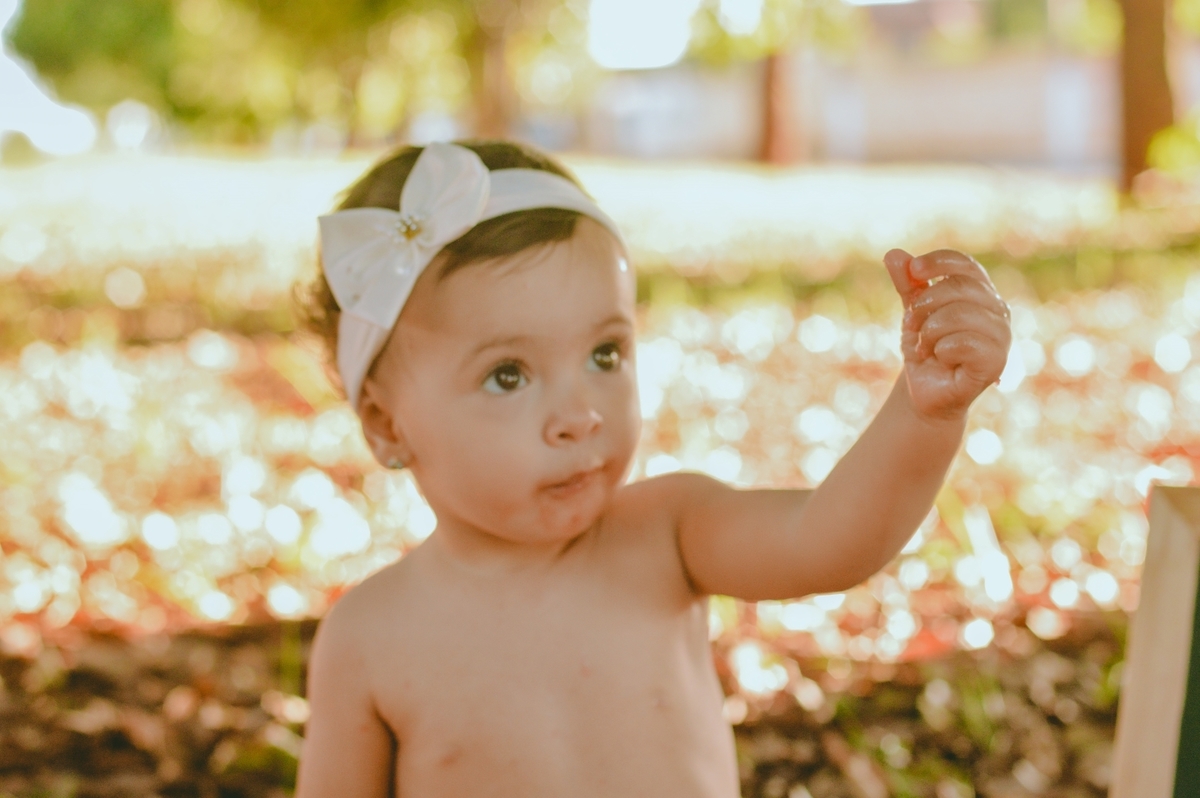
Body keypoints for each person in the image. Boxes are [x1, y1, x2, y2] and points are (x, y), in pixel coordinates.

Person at [293, 139, 1012, 797]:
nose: (580, 414)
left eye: (605, 354)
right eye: (508, 375)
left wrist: (924, 416)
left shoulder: (667, 536)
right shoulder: (372, 638)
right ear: (388, 425)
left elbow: (827, 539)